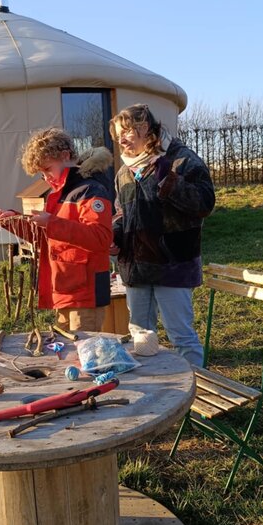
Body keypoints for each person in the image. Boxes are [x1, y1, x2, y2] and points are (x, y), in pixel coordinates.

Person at [110, 104, 215, 366]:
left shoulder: (182, 160)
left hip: (172, 264)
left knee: (181, 337)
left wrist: (169, 181)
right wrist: (116, 235)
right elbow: (121, 213)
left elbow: (205, 203)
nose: (121, 140)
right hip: (136, 266)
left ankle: (193, 388)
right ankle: (154, 385)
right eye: (118, 135)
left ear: (145, 128)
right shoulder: (124, 171)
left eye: (126, 132)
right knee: (140, 337)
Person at [0, 127, 113, 332]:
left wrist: (52, 223)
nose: (46, 177)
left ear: (65, 156)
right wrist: (15, 222)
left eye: (48, 169)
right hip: (64, 289)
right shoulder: (57, 193)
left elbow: (100, 237)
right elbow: (49, 237)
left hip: (86, 294)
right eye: (41, 173)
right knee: (66, 348)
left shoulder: (91, 190)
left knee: (84, 349)